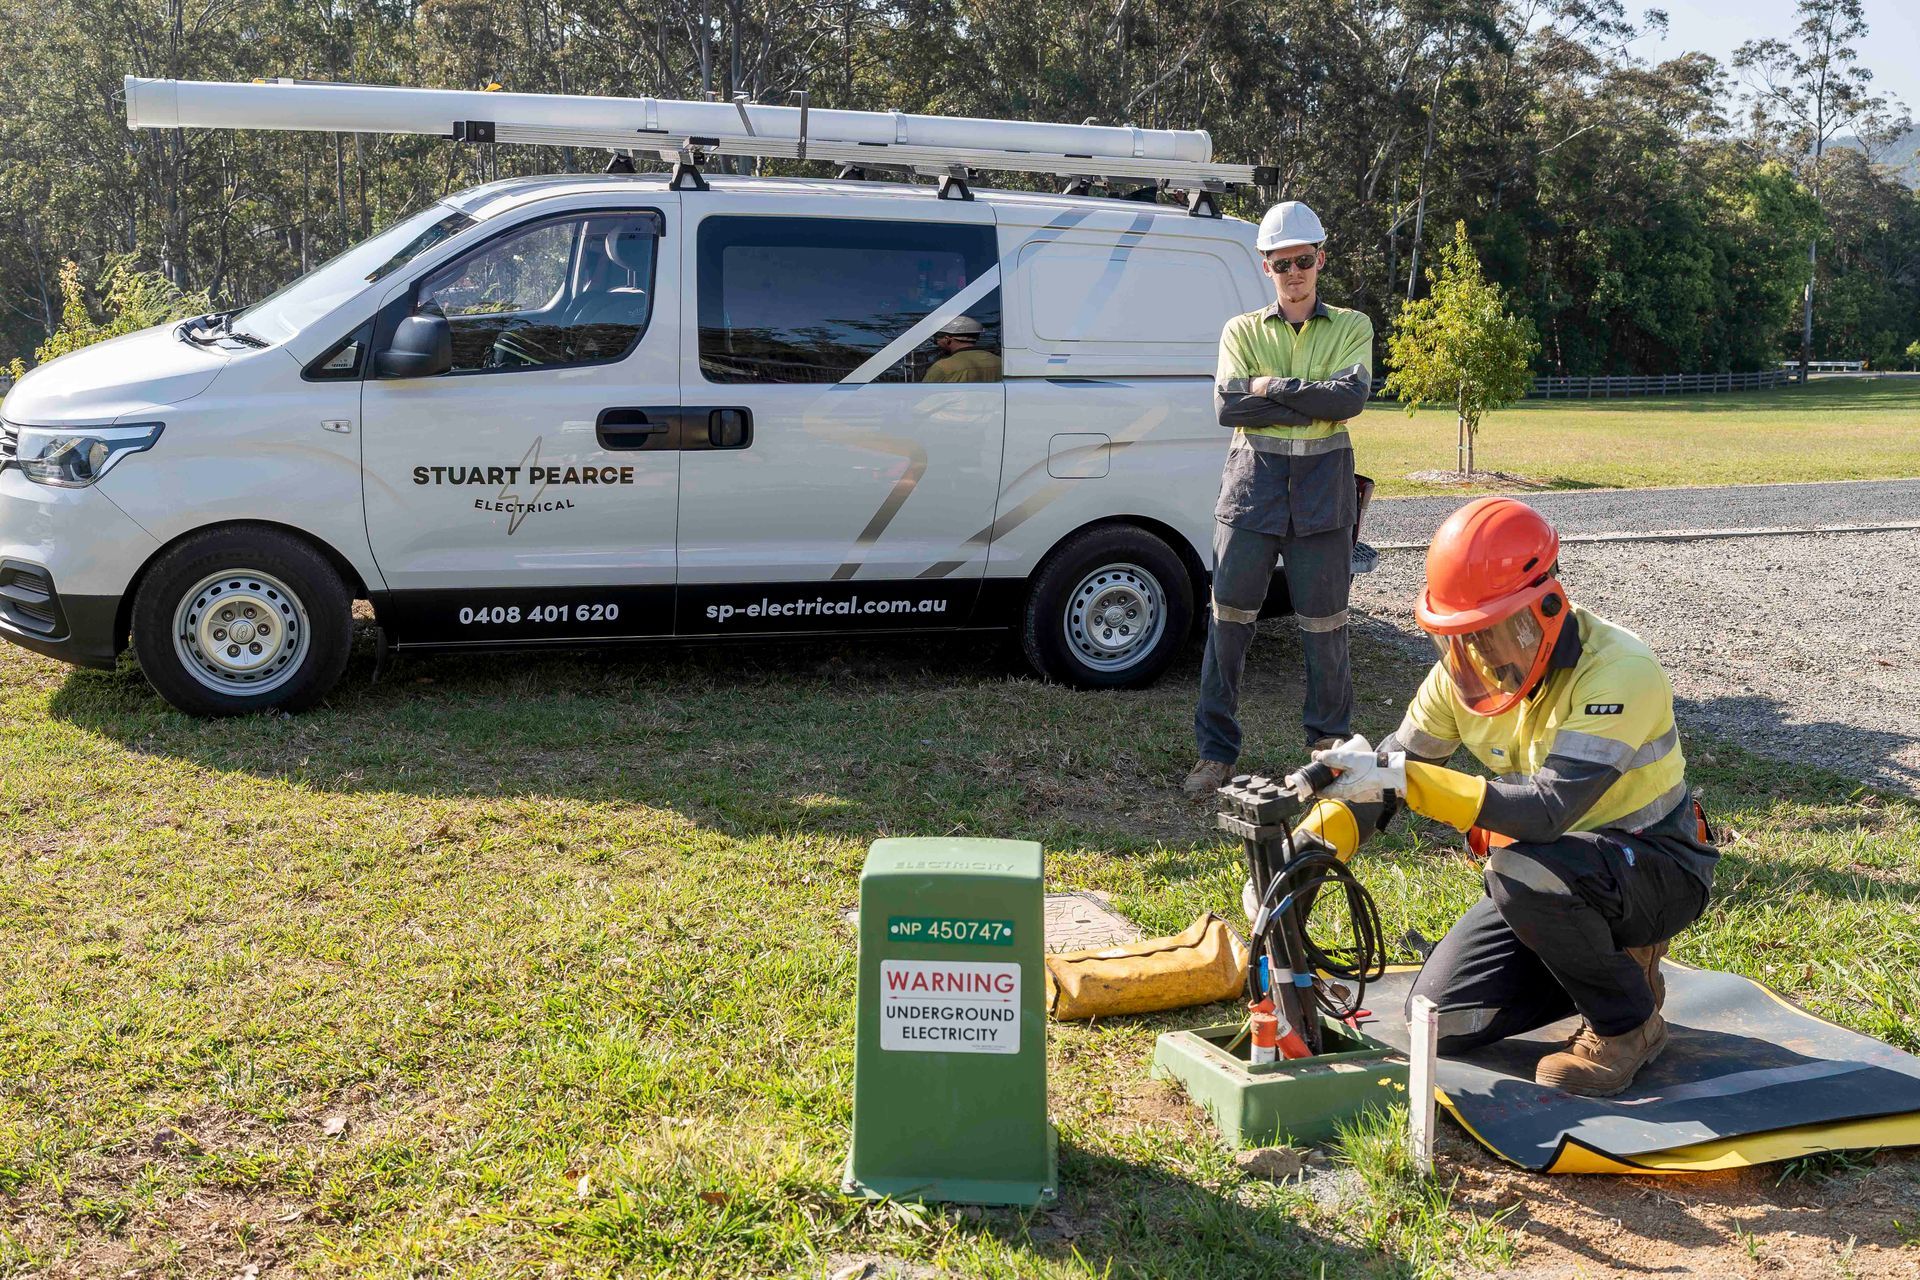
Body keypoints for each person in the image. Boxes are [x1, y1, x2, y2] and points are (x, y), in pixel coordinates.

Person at [1313, 497, 1718, 1096]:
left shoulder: (1621, 669)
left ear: (1547, 606)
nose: (1481, 651)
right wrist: (1314, 844)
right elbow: (1389, 773)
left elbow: (1546, 811)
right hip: (1558, 875)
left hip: (1656, 867)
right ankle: (1613, 972)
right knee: (1440, 1019)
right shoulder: (1460, 677)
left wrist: (1412, 781)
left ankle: (1628, 1026)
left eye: (1497, 628)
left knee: (1518, 867)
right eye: (1464, 634)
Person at [1183, 201, 1374, 797]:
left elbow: (1347, 400)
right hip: (1252, 487)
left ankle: (1328, 752)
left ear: (1321, 258)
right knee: (1229, 619)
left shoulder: (1353, 325)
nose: (1294, 272)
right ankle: (1215, 754)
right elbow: (1227, 408)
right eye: (1281, 262)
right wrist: (1306, 395)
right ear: (1265, 266)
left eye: (1304, 260)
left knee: (1326, 624)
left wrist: (1267, 386)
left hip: (1323, 490)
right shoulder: (1240, 330)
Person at [923, 316, 1001, 383]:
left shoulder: (942, 367)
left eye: (936, 340)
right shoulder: (999, 361)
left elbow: (923, 394)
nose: (936, 343)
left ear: (947, 339)